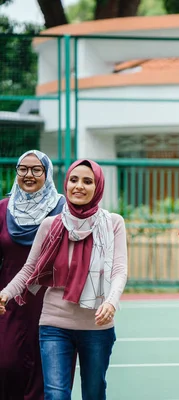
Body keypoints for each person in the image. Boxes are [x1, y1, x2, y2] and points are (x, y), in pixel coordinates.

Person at [0, 159, 128, 400]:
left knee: (94, 393)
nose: (79, 186)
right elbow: (30, 269)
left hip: (96, 326)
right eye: (73, 180)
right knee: (56, 395)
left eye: (87, 181)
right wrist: (5, 293)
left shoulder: (113, 223)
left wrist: (111, 302)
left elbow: (119, 270)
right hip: (54, 325)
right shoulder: (51, 225)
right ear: (66, 184)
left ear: (98, 186)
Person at [0, 150, 65, 399]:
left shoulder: (61, 208)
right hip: (8, 300)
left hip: (49, 300)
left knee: (46, 369)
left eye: (36, 169)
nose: (29, 175)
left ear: (46, 174)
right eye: (23, 169)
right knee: (7, 363)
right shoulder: (3, 209)